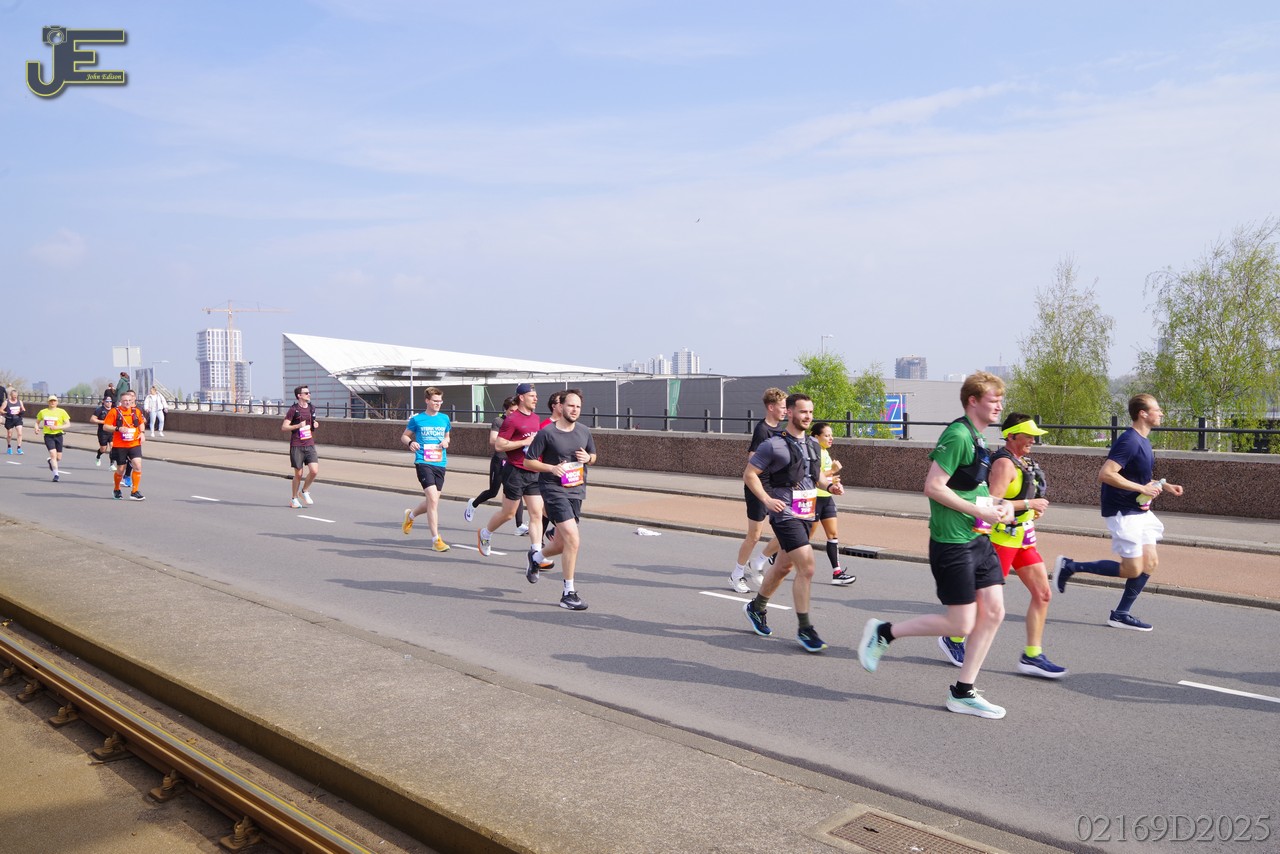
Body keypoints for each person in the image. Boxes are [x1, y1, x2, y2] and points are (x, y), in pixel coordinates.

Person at [858, 371, 1015, 719]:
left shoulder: (978, 438)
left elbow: (970, 488)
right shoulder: (958, 435)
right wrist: (979, 510)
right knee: (960, 625)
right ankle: (885, 632)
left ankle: (963, 692)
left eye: (1001, 400)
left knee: (994, 612)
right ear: (973, 401)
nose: (999, 406)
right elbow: (933, 486)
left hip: (978, 538)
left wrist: (1000, 505)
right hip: (952, 542)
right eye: (993, 400)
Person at [937, 413, 1066, 679]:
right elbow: (989, 502)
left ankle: (1032, 655)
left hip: (1023, 537)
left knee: (1043, 594)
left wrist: (1031, 511)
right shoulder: (1004, 464)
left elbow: (1019, 498)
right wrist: (1028, 504)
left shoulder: (1024, 462)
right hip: (1001, 538)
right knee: (986, 600)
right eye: (1028, 435)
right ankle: (954, 638)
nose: (1033, 440)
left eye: (1034, 436)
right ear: (1011, 436)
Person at [1054, 394, 1184, 631]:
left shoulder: (1144, 441)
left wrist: (1164, 485)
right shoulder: (1129, 441)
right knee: (1131, 569)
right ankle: (1070, 567)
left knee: (1150, 562)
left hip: (1140, 511)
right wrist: (1142, 488)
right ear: (1143, 413)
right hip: (1123, 511)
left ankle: (1121, 614)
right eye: (1157, 409)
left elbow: (1138, 477)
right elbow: (1106, 474)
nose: (1161, 413)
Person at [741, 392, 844, 653]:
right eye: (802, 411)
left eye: (810, 412)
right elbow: (750, 474)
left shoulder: (813, 445)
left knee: (784, 566)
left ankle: (756, 607)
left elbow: (816, 477)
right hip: (785, 513)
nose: (808, 416)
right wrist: (766, 499)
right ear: (789, 412)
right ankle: (805, 628)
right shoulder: (773, 444)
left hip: (806, 510)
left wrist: (830, 487)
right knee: (807, 567)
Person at [523, 389, 596, 610]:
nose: (575, 410)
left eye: (578, 407)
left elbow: (593, 456)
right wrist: (551, 468)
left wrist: (588, 458)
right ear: (561, 406)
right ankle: (568, 593)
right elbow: (528, 462)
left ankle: (536, 558)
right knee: (573, 539)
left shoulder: (584, 431)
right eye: (571, 405)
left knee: (562, 544)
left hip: (576, 490)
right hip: (553, 490)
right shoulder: (547, 433)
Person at [477, 384, 550, 567]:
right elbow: (499, 445)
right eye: (532, 395)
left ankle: (536, 555)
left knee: (536, 513)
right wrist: (524, 441)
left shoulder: (535, 418)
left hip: (533, 472)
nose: (536, 399)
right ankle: (485, 533)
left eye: (536, 395)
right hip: (515, 472)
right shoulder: (512, 419)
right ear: (521, 397)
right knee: (508, 514)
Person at [730, 388, 787, 593]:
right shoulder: (762, 430)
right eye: (782, 407)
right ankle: (736, 574)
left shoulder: (781, 430)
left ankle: (759, 561)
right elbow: (752, 460)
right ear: (771, 407)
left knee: (787, 530)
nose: (785, 411)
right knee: (754, 535)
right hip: (758, 487)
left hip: (775, 487)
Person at [464, 397, 526, 532]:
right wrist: (511, 442)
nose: (514, 413)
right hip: (500, 460)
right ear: (505, 410)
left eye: (516, 411)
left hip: (513, 462)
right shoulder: (499, 421)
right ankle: (473, 504)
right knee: (493, 491)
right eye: (511, 411)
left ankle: (519, 525)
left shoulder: (519, 422)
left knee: (517, 492)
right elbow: (493, 440)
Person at [401, 387, 452, 552]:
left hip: (440, 462)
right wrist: (410, 442)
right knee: (433, 500)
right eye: (435, 401)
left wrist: (446, 442)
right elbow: (404, 436)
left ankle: (411, 515)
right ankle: (436, 540)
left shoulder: (444, 418)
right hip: (423, 461)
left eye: (440, 401)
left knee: (433, 500)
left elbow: (447, 436)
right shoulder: (417, 419)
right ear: (427, 401)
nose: (438, 404)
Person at [809, 421, 856, 585]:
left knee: (833, 534)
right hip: (813, 498)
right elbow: (813, 476)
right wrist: (833, 471)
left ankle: (837, 573)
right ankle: (775, 556)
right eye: (827, 435)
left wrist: (836, 484)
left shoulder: (825, 452)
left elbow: (827, 477)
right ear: (816, 437)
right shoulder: (813, 451)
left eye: (831, 435)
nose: (831, 438)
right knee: (804, 537)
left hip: (826, 498)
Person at [103, 390, 146, 499]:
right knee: (121, 469)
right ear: (121, 401)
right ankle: (117, 489)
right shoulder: (114, 412)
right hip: (120, 445)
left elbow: (141, 423)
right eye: (125, 400)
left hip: (134, 443)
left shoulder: (136, 411)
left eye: (129, 400)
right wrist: (118, 428)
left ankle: (134, 491)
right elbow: (105, 426)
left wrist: (142, 433)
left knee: (137, 465)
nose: (127, 402)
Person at [281, 385, 319, 509]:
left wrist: (315, 423)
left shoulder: (312, 408)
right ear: (299, 395)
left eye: (309, 392)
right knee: (298, 474)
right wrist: (297, 426)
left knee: (314, 471)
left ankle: (304, 491)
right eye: (306, 393)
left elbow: (311, 422)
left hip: (309, 443)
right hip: (297, 445)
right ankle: (294, 499)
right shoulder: (294, 409)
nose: (309, 394)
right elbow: (284, 427)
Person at [34, 395, 71, 482]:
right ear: (48, 402)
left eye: (54, 401)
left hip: (58, 435)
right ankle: (56, 475)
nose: (53, 402)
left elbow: (68, 424)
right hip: (48, 436)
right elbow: (37, 422)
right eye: (51, 401)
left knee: (58, 457)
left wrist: (57, 427)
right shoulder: (43, 412)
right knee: (53, 454)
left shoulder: (62, 412)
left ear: (57, 402)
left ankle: (50, 461)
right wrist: (36, 428)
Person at [90, 392, 114, 466]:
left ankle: (112, 464)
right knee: (103, 449)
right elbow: (92, 419)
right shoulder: (99, 410)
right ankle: (98, 456)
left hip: (112, 431)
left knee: (113, 448)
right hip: (102, 432)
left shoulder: (114, 410)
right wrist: (103, 422)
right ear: (103, 402)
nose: (109, 403)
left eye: (110, 401)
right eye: (107, 401)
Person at [5, 388, 26, 455]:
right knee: (9, 434)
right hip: (9, 419)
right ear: (11, 395)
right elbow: (1, 410)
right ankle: (9, 447)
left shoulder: (20, 402)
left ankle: (19, 448)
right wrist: (7, 412)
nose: (15, 397)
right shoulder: (6, 402)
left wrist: (22, 411)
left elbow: (23, 409)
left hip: (18, 419)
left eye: (16, 396)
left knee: (19, 433)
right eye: (14, 396)